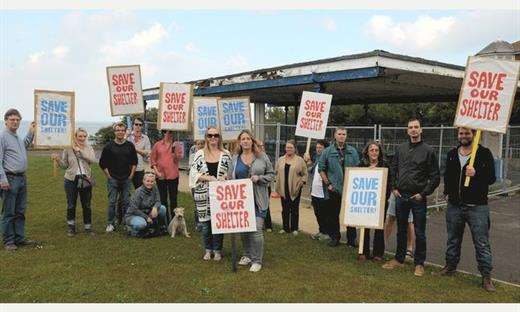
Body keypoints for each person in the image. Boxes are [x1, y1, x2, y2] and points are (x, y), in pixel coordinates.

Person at [436, 127, 497, 291]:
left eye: (467, 133)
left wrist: (476, 173)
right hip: (454, 206)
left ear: (474, 134)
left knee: (481, 242)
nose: (463, 136)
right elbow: (448, 176)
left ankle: (486, 276)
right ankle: (450, 266)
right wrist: (447, 192)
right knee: (453, 239)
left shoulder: (484, 153)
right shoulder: (451, 154)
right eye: (461, 133)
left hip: (477, 207)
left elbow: (492, 178)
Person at [383, 118, 440, 277]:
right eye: (410, 127)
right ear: (407, 131)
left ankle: (419, 263)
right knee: (401, 229)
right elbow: (393, 169)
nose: (413, 130)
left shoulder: (428, 151)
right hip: (401, 195)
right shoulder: (401, 149)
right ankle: (399, 259)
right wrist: (394, 187)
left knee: (419, 231)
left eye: (416, 127)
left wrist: (423, 193)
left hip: (418, 197)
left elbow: (435, 176)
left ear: (421, 130)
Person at [231, 130, 275, 272]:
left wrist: (259, 178)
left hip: (258, 200)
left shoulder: (262, 157)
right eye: (242, 139)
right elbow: (230, 177)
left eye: (248, 138)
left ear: (252, 141)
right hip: (241, 201)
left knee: (256, 229)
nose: (245, 141)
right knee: (244, 229)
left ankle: (257, 260)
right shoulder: (235, 158)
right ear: (239, 142)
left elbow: (271, 175)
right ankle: (247, 254)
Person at [189, 127, 232, 261]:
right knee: (205, 225)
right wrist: (210, 178)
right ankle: (208, 249)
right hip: (203, 193)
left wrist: (225, 177)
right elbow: (194, 173)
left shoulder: (226, 154)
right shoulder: (199, 154)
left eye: (216, 135)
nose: (213, 138)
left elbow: (230, 172)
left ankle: (217, 250)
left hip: (220, 194)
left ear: (219, 137)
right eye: (210, 135)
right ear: (206, 137)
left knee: (218, 223)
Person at [0, 109, 37, 251]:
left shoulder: (16, 137)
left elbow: (25, 144)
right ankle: (9, 241)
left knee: (20, 211)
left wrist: (31, 132)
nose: (15, 122)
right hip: (9, 179)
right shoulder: (2, 136)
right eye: (12, 119)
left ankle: (19, 238)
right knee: (9, 212)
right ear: (6, 121)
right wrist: (2, 179)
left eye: (17, 120)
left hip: (21, 178)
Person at [318, 127, 360, 248]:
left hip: (350, 189)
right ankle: (335, 237)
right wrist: (328, 184)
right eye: (339, 134)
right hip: (334, 189)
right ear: (335, 135)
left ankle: (351, 240)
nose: (342, 136)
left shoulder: (352, 151)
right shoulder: (327, 151)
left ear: (346, 136)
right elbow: (321, 169)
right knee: (333, 215)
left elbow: (358, 167)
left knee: (350, 215)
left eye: (344, 134)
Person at [52, 128, 97, 237]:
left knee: (86, 204)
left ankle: (88, 227)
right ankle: (71, 227)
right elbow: (64, 165)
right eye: (80, 136)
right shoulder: (68, 148)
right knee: (71, 204)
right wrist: (57, 159)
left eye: (84, 136)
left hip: (85, 178)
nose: (82, 138)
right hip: (71, 179)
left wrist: (80, 152)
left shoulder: (89, 147)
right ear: (75, 137)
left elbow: (92, 160)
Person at [99, 122, 138, 233]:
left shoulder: (130, 146)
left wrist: (131, 175)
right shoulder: (108, 146)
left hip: (126, 178)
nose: (120, 132)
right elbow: (102, 163)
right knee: (112, 202)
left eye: (122, 130)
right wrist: (109, 176)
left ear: (125, 132)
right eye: (118, 130)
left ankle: (127, 223)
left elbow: (134, 162)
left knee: (126, 202)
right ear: (114, 132)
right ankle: (110, 224)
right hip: (113, 179)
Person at [358, 141, 391, 262]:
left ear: (380, 152)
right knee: (364, 227)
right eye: (371, 150)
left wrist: (384, 198)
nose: (374, 152)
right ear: (367, 152)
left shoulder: (385, 165)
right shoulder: (361, 165)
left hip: (380, 202)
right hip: (365, 202)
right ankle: (363, 252)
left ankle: (378, 253)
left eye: (376, 150)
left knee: (379, 228)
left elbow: (389, 183)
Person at [274, 140, 307, 236]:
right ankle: (285, 228)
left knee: (294, 209)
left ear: (294, 149)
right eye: (287, 147)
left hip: (295, 188)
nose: (288, 149)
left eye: (291, 147)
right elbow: (276, 171)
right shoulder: (280, 159)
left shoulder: (299, 160)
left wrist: (302, 182)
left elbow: (305, 173)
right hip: (283, 188)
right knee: (285, 209)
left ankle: (294, 228)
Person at [150, 130, 183, 220]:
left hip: (173, 176)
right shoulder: (157, 145)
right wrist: (157, 172)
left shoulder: (177, 145)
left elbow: (177, 160)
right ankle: (165, 220)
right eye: (168, 132)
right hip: (161, 176)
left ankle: (174, 219)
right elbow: (153, 159)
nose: (170, 134)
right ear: (164, 133)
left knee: (173, 199)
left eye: (172, 132)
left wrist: (174, 151)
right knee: (162, 199)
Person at [125, 172, 168, 237]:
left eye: (152, 181)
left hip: (147, 212)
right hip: (133, 215)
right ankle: (131, 230)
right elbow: (134, 209)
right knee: (141, 224)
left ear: (154, 182)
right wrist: (146, 217)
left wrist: (155, 207)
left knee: (162, 208)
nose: (150, 183)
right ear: (143, 181)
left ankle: (160, 227)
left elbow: (158, 201)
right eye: (147, 181)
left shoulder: (155, 188)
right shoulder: (138, 192)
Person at [304, 140, 328, 240]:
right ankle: (321, 231)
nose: (318, 149)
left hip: (324, 193)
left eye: (320, 148)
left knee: (325, 214)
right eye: (317, 148)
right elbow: (311, 170)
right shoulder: (317, 159)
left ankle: (327, 233)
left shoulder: (328, 160)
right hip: (315, 192)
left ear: (325, 149)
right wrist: (308, 161)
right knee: (318, 214)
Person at [384, 193, 415, 260]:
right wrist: (394, 188)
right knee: (390, 218)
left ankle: (409, 248)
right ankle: (383, 244)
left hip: (409, 193)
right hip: (396, 192)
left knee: (409, 221)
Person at [127, 117, 151, 189]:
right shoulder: (127, 136)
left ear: (142, 127)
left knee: (139, 191)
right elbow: (120, 147)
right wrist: (125, 136)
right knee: (125, 192)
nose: (138, 126)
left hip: (139, 169)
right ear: (133, 125)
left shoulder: (145, 138)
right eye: (136, 124)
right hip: (126, 168)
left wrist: (134, 149)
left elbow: (147, 153)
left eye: (140, 125)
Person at [255, 139, 273, 232]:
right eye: (258, 146)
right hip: (253, 188)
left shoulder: (266, 157)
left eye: (261, 146)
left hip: (265, 186)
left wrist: (260, 178)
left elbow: (270, 173)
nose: (260, 148)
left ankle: (268, 225)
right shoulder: (252, 157)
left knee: (264, 205)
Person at [189, 139, 205, 232]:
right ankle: (198, 223)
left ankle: (205, 222)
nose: (200, 145)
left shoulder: (207, 154)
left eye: (202, 143)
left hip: (204, 182)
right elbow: (192, 168)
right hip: (195, 183)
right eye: (198, 144)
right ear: (195, 145)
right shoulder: (193, 156)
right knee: (197, 203)